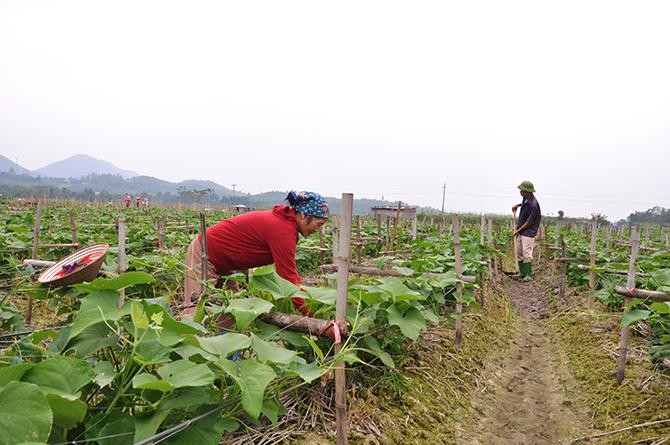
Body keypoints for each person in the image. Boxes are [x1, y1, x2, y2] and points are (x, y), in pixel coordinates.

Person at [182, 191, 329, 317]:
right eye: (319, 224)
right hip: (205, 254)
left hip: (225, 264)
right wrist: (311, 315)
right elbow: (288, 279)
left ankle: (230, 351)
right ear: (303, 216)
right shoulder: (283, 230)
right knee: (195, 315)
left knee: (232, 314)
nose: (318, 230)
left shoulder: (285, 224)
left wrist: (309, 306)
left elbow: (292, 275)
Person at [512, 180, 541, 281]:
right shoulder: (526, 198)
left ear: (528, 192)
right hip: (521, 230)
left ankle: (528, 275)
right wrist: (517, 205)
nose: (520, 192)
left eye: (522, 190)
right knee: (519, 251)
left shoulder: (534, 205)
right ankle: (521, 272)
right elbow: (524, 204)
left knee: (526, 252)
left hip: (528, 232)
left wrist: (518, 230)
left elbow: (529, 222)